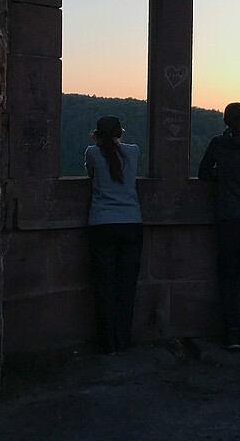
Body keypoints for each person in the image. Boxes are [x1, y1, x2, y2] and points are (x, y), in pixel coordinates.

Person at [198, 102, 240, 353]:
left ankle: (232, 334)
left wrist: (223, 176)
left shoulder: (218, 143)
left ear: (225, 120)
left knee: (228, 278)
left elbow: (203, 173)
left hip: (229, 218)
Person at [84, 115, 143, 355]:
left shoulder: (93, 153)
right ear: (121, 132)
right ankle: (123, 340)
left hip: (102, 222)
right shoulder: (134, 151)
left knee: (104, 285)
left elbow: (90, 175)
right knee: (127, 286)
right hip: (131, 222)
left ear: (97, 134)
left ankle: (107, 342)